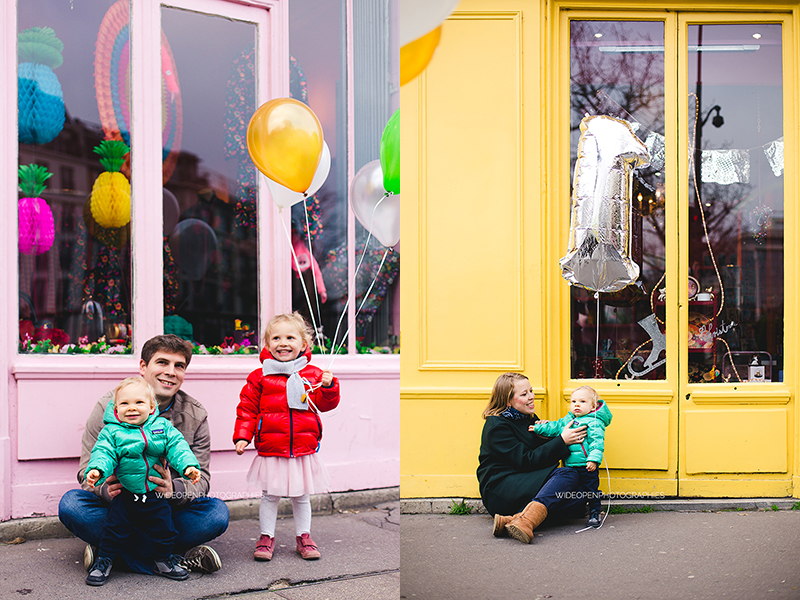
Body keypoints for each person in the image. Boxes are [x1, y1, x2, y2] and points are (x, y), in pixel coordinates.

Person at [58, 334, 229, 575]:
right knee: (72, 505)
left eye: (179, 366)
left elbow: (202, 480)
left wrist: (174, 490)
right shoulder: (110, 407)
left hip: (163, 508)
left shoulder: (195, 414)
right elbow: (86, 470)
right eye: (162, 362)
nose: (170, 372)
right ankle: (174, 558)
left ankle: (110, 554)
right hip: (119, 505)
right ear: (143, 367)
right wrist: (105, 488)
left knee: (216, 514)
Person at [233, 312, 340, 562]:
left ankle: (304, 536)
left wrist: (328, 387)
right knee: (270, 495)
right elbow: (247, 408)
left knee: (301, 496)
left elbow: (325, 404)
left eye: (290, 337)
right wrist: (242, 436)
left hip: (302, 446)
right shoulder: (260, 376)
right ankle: (266, 536)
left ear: (303, 344)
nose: (283, 343)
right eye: (276, 338)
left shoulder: (312, 374)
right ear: (268, 345)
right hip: (272, 446)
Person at [84, 376, 201, 585]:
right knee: (113, 527)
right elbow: (104, 453)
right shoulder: (112, 432)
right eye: (125, 404)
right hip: (125, 494)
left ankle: (163, 560)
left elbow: (177, 446)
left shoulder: (162, 427)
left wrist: (188, 467)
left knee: (164, 528)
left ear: (151, 405)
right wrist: (97, 471)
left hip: (155, 494)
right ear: (116, 408)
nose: (132, 408)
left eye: (138, 403)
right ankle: (104, 560)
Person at [477, 372, 589, 544]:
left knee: (580, 499)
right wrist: (562, 441)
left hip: (524, 481)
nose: (531, 397)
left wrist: (555, 436)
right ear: (508, 401)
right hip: (501, 488)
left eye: (531, 390)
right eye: (524, 394)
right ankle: (527, 521)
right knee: (567, 475)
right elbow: (527, 460)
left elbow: (542, 454)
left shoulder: (527, 417)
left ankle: (513, 519)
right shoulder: (496, 427)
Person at [530, 384, 612, 528]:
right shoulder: (568, 419)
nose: (577, 405)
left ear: (593, 406)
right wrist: (538, 427)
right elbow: (554, 427)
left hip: (586, 465)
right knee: (574, 490)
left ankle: (595, 512)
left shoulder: (594, 422)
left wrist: (593, 459)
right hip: (570, 465)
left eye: (582, 402)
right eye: (573, 402)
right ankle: (579, 509)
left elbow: (597, 442)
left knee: (591, 489)